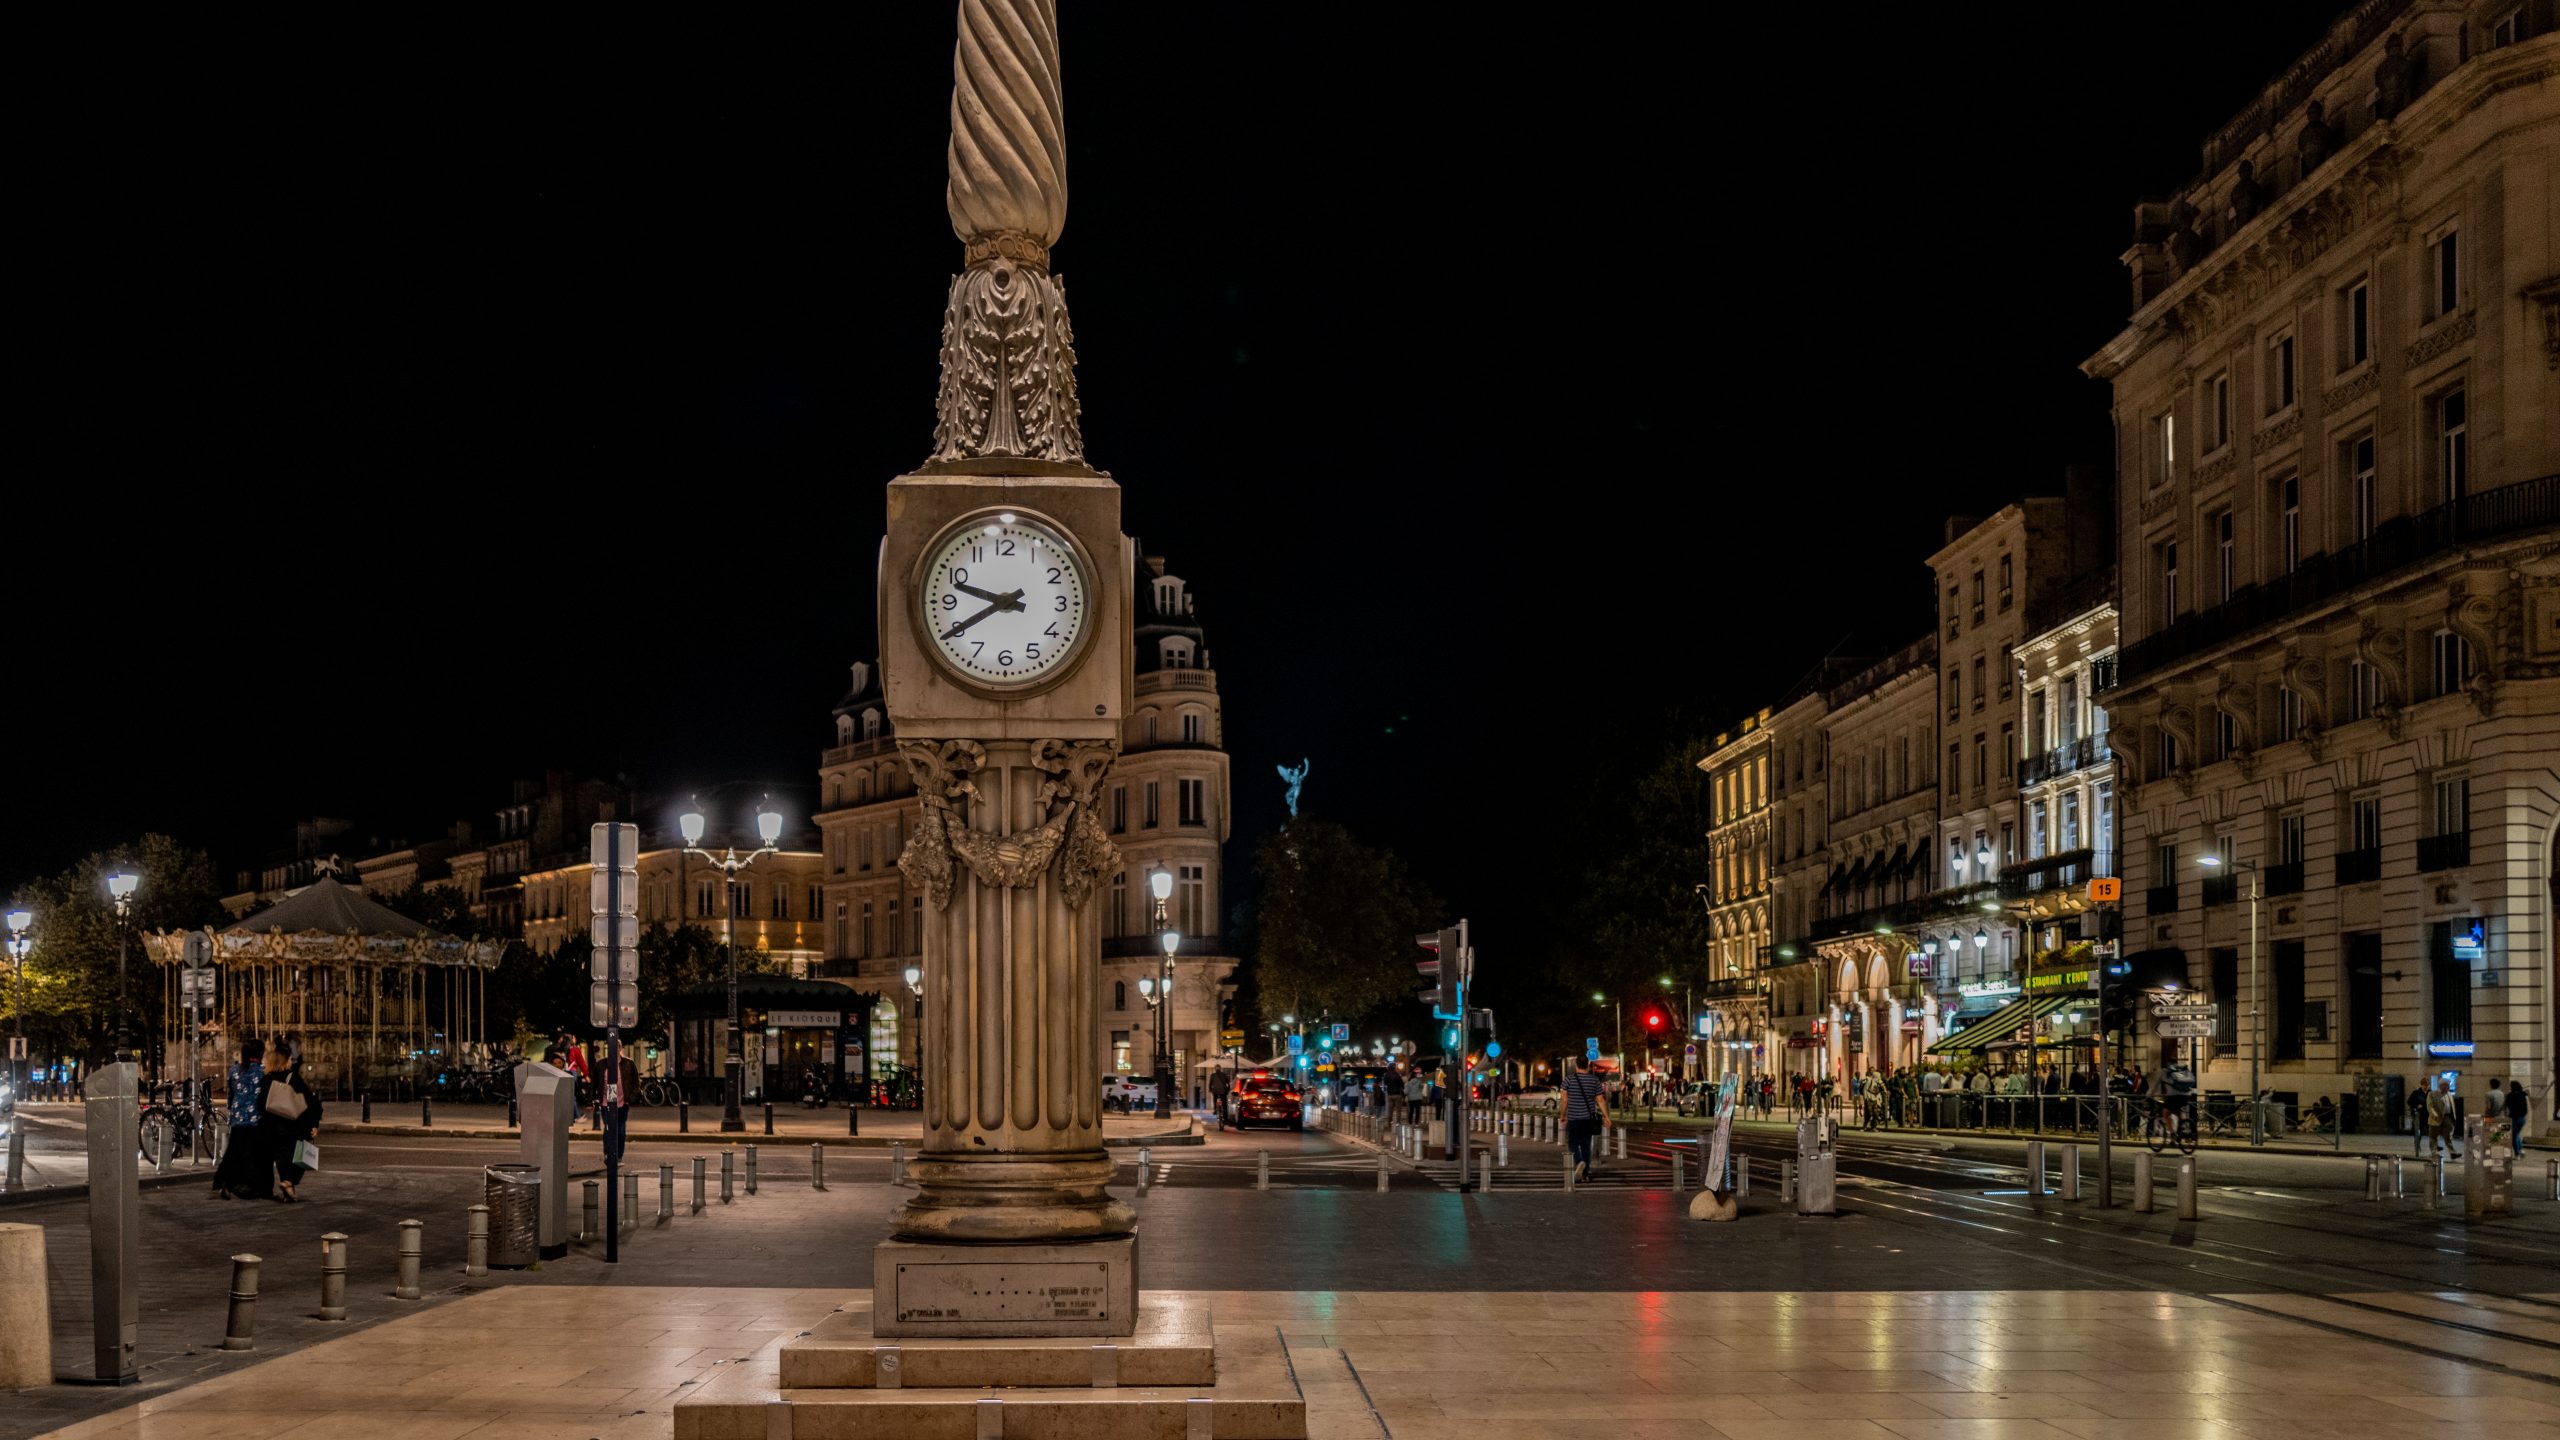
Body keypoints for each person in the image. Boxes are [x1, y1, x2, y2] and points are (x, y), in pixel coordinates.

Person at [210, 1036, 270, 1201]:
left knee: (234, 1151)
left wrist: (233, 1109)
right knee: (252, 1153)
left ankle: (223, 1181)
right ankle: (248, 1185)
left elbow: (230, 1093)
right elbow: (264, 1097)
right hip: (254, 1118)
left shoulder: (234, 1070)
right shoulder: (262, 1071)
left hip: (237, 1116)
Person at [261, 1038, 321, 1203]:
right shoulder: (292, 1077)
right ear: (285, 1061)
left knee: (282, 1157)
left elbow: (260, 1104)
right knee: (300, 1156)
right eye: (289, 1059)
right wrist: (314, 1123)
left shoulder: (266, 1079)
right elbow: (309, 1101)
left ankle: (288, 1186)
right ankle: (289, 1182)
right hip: (293, 1125)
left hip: (272, 1127)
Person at [1561, 1055, 1609, 1181]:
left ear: (1576, 1066)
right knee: (1586, 1146)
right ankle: (1585, 1174)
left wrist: (1562, 1115)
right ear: (1588, 1065)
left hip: (1574, 1118)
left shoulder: (1568, 1080)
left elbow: (1564, 1101)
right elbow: (1600, 1100)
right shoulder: (1594, 1081)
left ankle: (1579, 1161)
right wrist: (1606, 1117)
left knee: (1572, 1144)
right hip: (1588, 1119)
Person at [2505, 1074, 2530, 1158]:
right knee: (2517, 1134)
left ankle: (2517, 1153)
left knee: (2513, 1137)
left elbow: (2507, 1106)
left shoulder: (2510, 1096)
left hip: (2514, 1118)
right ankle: (2521, 1150)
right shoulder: (2523, 1095)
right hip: (2522, 1118)